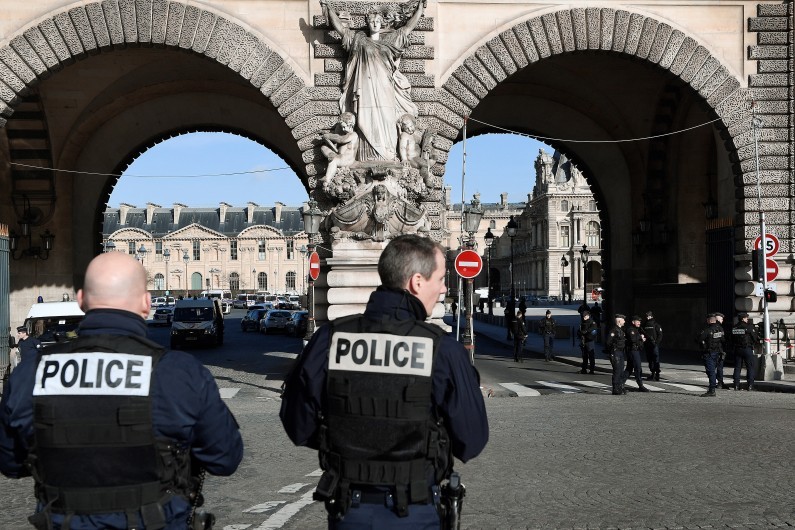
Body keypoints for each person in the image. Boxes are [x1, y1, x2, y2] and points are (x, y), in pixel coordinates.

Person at [0, 252, 243, 529]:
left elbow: (11, 463)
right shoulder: (178, 372)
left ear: (81, 301)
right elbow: (225, 458)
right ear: (146, 303)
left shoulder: (31, 373)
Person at [280, 234, 489, 529]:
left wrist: (345, 435)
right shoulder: (441, 350)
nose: (444, 288)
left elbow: (297, 424)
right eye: (441, 279)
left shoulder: (330, 338)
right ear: (417, 281)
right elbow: (472, 439)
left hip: (348, 507)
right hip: (414, 510)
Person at [321, 0, 424, 162]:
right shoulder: (359, 41)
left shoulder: (390, 41)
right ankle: (364, 157)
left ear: (382, 23)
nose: (375, 24)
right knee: (364, 118)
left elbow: (407, 29)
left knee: (388, 120)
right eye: (372, 21)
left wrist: (420, 9)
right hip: (364, 87)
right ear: (368, 23)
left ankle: (389, 156)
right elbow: (341, 30)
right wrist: (328, 8)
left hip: (385, 87)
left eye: (378, 21)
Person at [321, 111, 360, 182]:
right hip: (340, 156)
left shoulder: (353, 135)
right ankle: (331, 154)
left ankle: (327, 178)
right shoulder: (345, 134)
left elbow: (341, 140)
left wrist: (329, 136)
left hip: (347, 160)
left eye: (344, 127)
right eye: (342, 127)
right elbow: (338, 137)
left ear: (351, 124)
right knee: (323, 147)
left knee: (334, 161)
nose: (343, 129)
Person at [697, 313, 724, 397]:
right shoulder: (720, 329)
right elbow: (723, 340)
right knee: (713, 371)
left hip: (709, 353)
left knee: (711, 371)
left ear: (708, 320)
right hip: (717, 353)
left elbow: (698, 339)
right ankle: (714, 386)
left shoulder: (707, 330)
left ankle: (712, 390)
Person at [731, 312, 760, 391]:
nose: (747, 319)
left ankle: (736, 385)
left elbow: (731, 339)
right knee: (750, 367)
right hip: (747, 349)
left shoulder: (734, 327)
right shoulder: (749, 327)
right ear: (743, 318)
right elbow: (755, 338)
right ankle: (750, 385)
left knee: (737, 367)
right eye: (747, 318)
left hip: (737, 349)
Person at [624, 316, 649, 392]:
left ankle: (620, 383)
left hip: (635, 350)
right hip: (632, 351)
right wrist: (641, 338)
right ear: (633, 322)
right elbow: (633, 340)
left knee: (629, 369)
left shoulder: (636, 330)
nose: (639, 323)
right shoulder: (631, 330)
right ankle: (640, 385)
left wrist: (641, 339)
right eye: (637, 321)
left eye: (640, 321)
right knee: (638, 368)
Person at [605, 314, 627, 395]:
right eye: (623, 320)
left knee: (621, 370)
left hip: (620, 352)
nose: (624, 321)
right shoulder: (614, 330)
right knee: (617, 370)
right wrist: (612, 350)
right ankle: (615, 388)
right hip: (615, 352)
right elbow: (608, 342)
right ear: (619, 321)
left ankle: (620, 387)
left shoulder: (620, 330)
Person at [642, 310, 663, 381]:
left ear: (652, 316)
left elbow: (660, 335)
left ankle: (657, 374)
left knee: (655, 359)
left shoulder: (656, 325)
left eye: (649, 316)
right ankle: (653, 373)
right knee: (650, 359)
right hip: (647, 344)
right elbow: (642, 333)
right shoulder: (644, 325)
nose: (648, 317)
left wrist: (656, 343)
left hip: (654, 345)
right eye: (647, 316)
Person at [713, 312, 730, 389]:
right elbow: (723, 340)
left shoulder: (709, 327)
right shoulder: (720, 328)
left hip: (712, 350)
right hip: (719, 350)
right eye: (721, 318)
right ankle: (719, 382)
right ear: (717, 319)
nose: (722, 320)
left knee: (712, 367)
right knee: (719, 367)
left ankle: (714, 382)